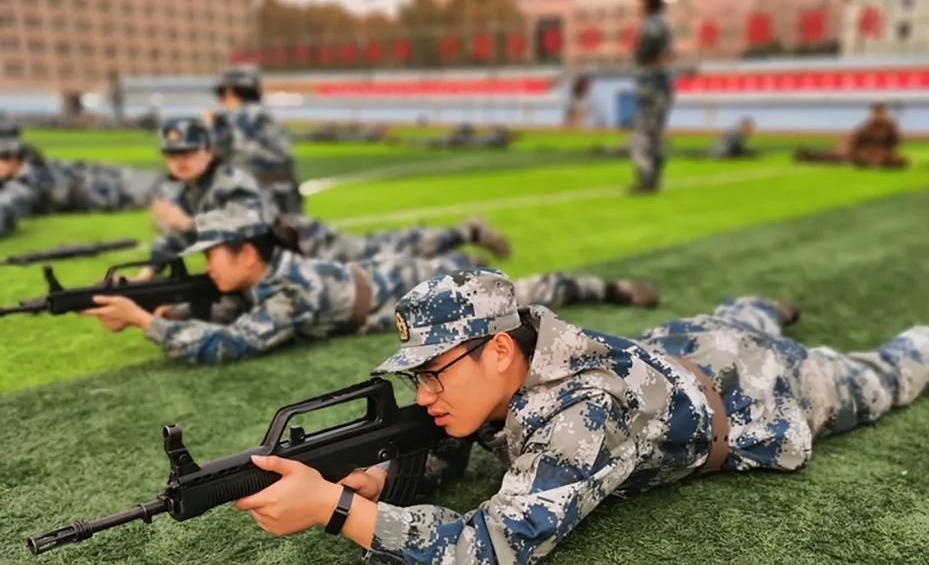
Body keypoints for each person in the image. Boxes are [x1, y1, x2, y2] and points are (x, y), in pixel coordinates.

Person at [227, 268, 929, 565]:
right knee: (722, 321)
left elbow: (487, 554)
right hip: (681, 349)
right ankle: (758, 302)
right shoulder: (512, 366)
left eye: (435, 371)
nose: (423, 392)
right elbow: (465, 443)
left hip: (754, 388)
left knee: (882, 375)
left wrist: (339, 511)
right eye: (415, 374)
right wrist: (380, 481)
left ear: (500, 348)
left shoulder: (581, 412)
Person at [81, 207, 660, 365]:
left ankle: (605, 288)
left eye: (212, 257)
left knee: (526, 292)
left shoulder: (288, 294)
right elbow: (222, 309)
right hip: (376, 278)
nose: (206, 269)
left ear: (248, 253)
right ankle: (463, 244)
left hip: (396, 291)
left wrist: (144, 322)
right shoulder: (263, 278)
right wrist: (157, 308)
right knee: (440, 252)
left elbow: (227, 344)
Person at [141, 116, 274, 279]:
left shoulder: (231, 181)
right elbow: (174, 240)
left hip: (276, 270)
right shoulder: (186, 191)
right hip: (238, 273)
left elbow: (247, 224)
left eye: (189, 152)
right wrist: (145, 275)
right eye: (172, 154)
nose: (181, 161)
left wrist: (189, 224)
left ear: (209, 152)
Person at [0, 121, 160, 237]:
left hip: (102, 189)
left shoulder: (25, 179)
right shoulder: (27, 166)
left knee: (161, 188)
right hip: (90, 177)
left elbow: (7, 210)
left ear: (12, 157)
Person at [206, 65, 302, 214]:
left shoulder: (234, 118)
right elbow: (284, 156)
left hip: (255, 196)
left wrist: (211, 128)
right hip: (282, 192)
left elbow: (219, 153)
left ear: (230, 91)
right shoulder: (262, 115)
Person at [271, 212, 511, 265]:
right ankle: (462, 247)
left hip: (295, 241)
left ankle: (459, 261)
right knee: (376, 248)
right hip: (291, 230)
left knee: (375, 256)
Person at [629, 0, 675, 194]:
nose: (637, 3)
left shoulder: (652, 25)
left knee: (644, 134)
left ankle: (647, 179)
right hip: (659, 85)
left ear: (648, 1)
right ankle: (652, 179)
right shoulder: (662, 23)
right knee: (653, 135)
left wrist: (640, 58)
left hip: (652, 85)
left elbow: (644, 54)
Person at [794, 104, 908, 169]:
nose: (876, 115)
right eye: (874, 113)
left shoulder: (889, 126)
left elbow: (895, 142)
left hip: (878, 152)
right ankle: (807, 155)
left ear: (884, 114)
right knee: (836, 156)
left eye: (879, 113)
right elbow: (856, 136)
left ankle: (876, 162)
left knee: (891, 159)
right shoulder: (869, 125)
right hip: (861, 151)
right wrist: (846, 141)